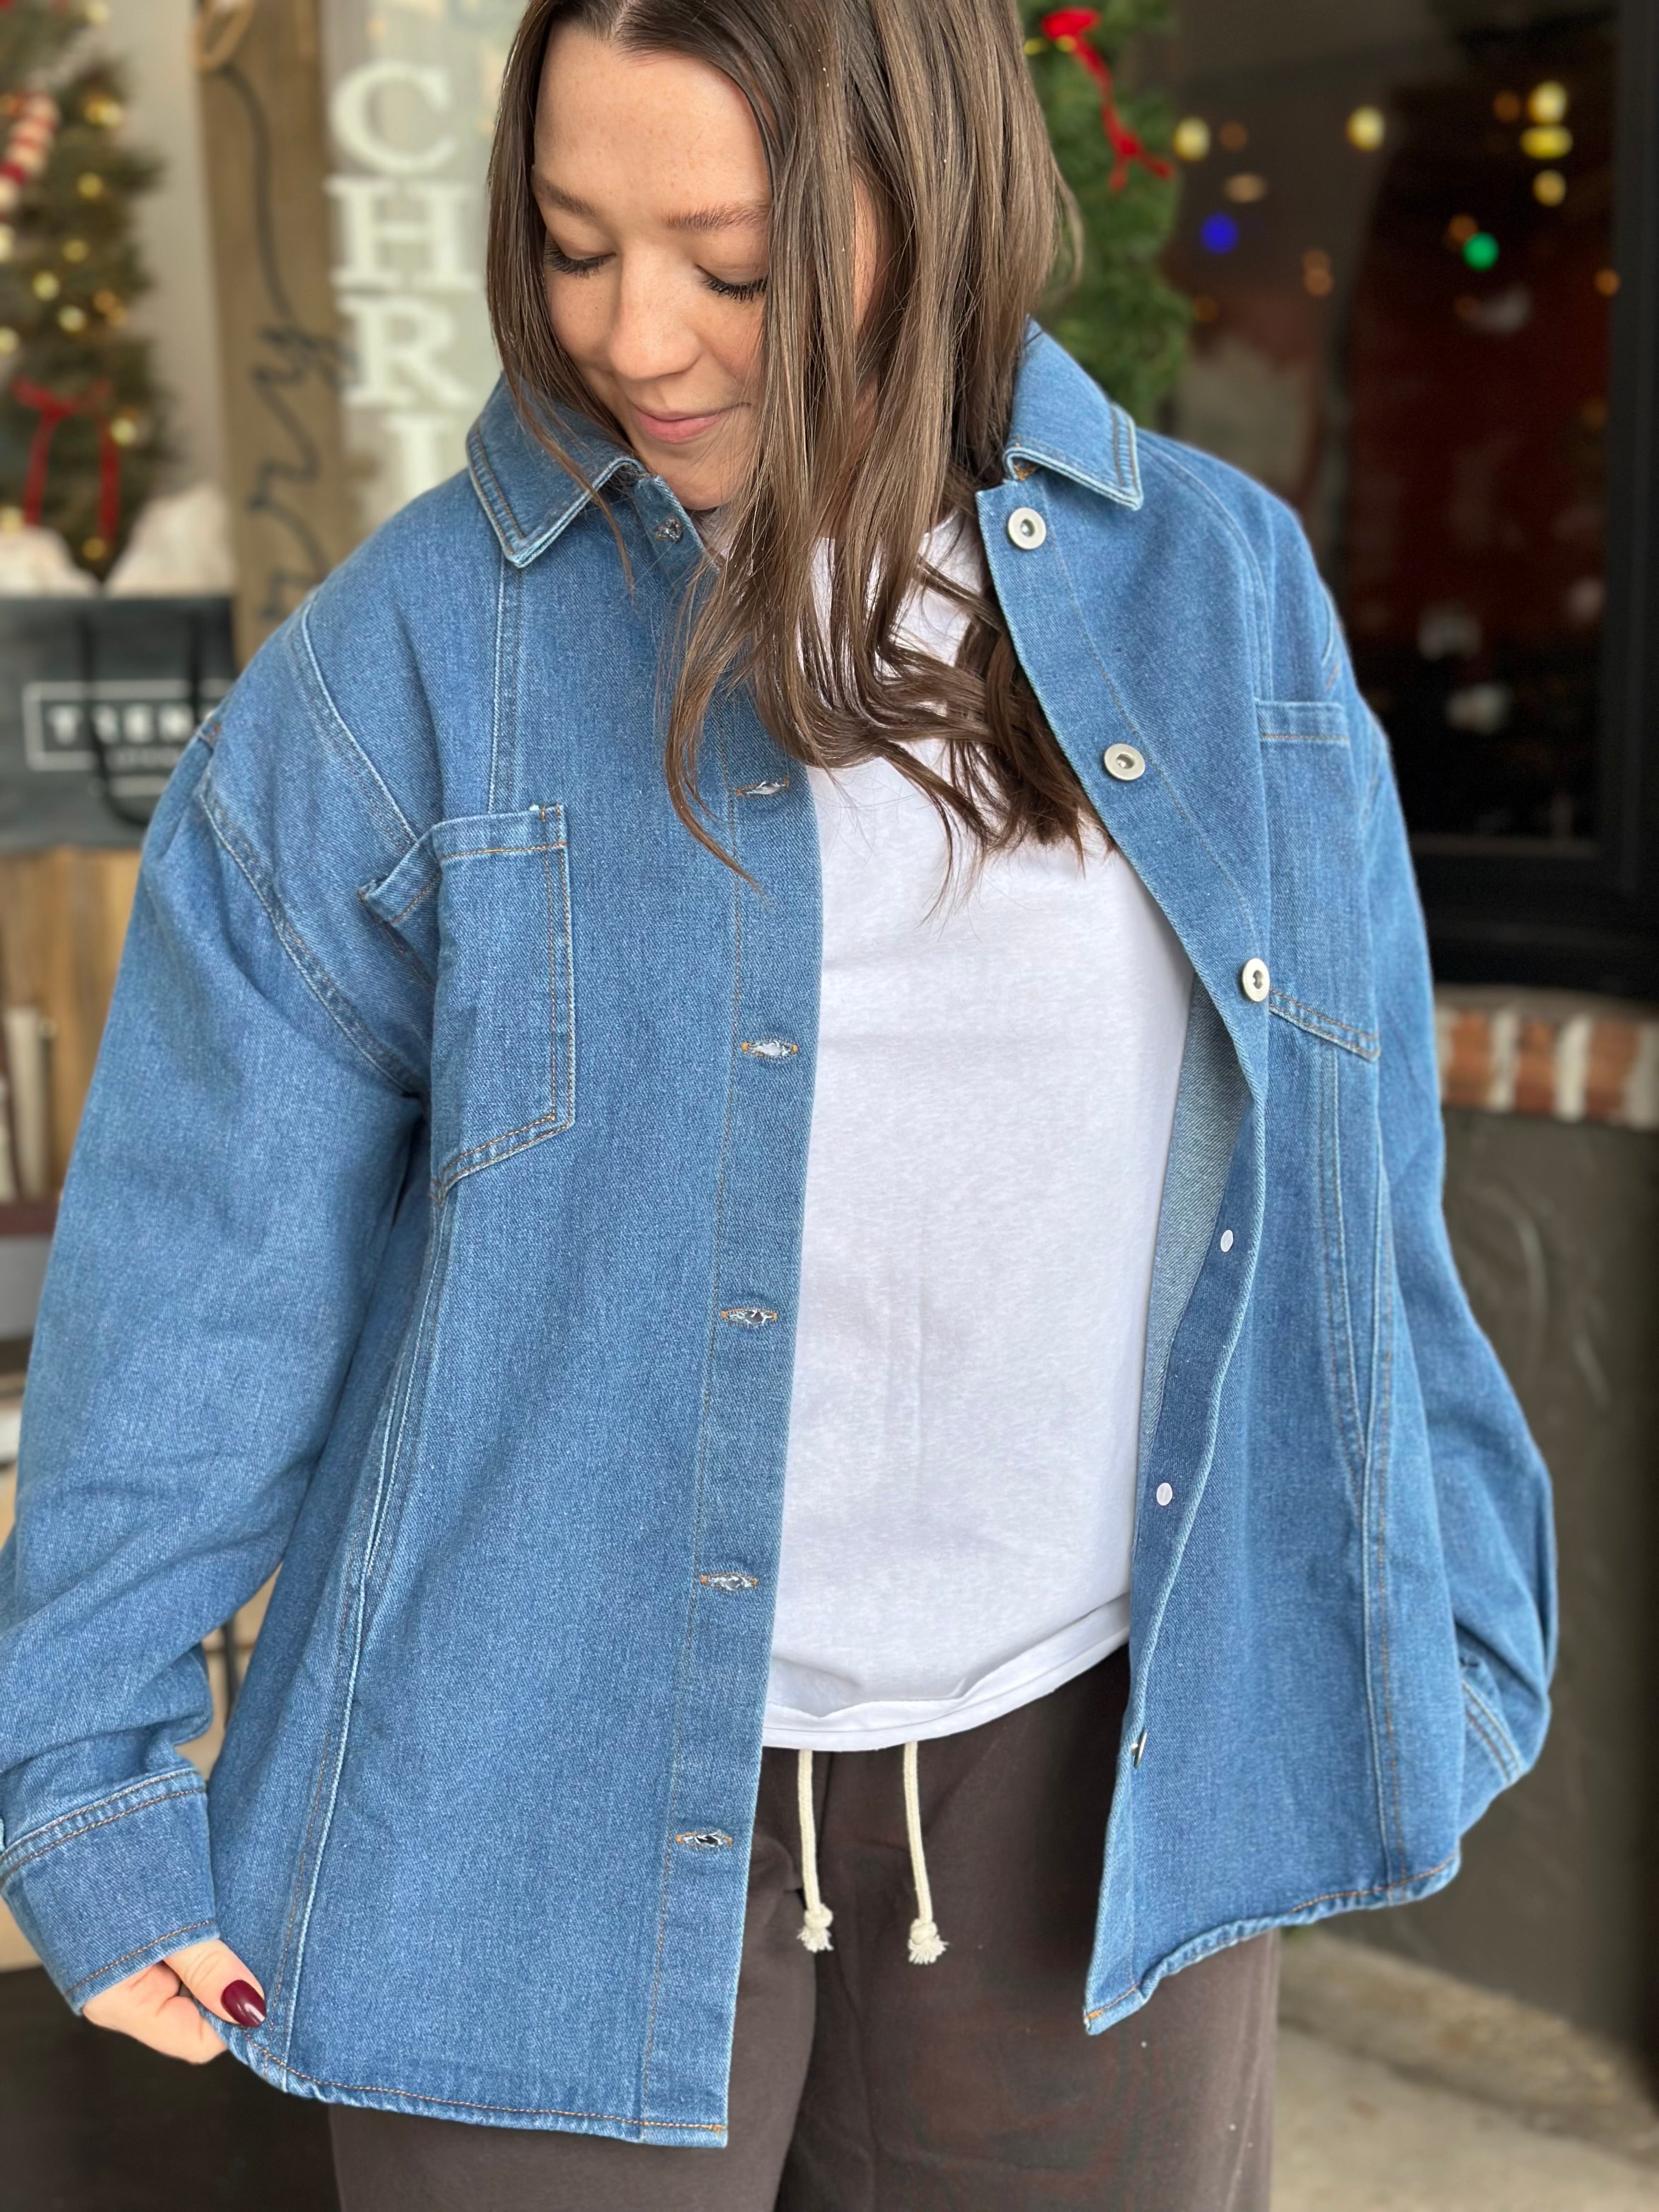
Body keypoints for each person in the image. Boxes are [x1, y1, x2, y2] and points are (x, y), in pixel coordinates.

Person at [0, 2, 1554, 2207]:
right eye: (574, 244)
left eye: (731, 266)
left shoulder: (1220, 596)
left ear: (932, 205)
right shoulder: (406, 664)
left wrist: (1450, 1612)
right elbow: (201, 1266)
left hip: (1088, 1766)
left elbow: (1350, 1172)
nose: (635, 336)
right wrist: (88, 1777)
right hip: (521, 1781)